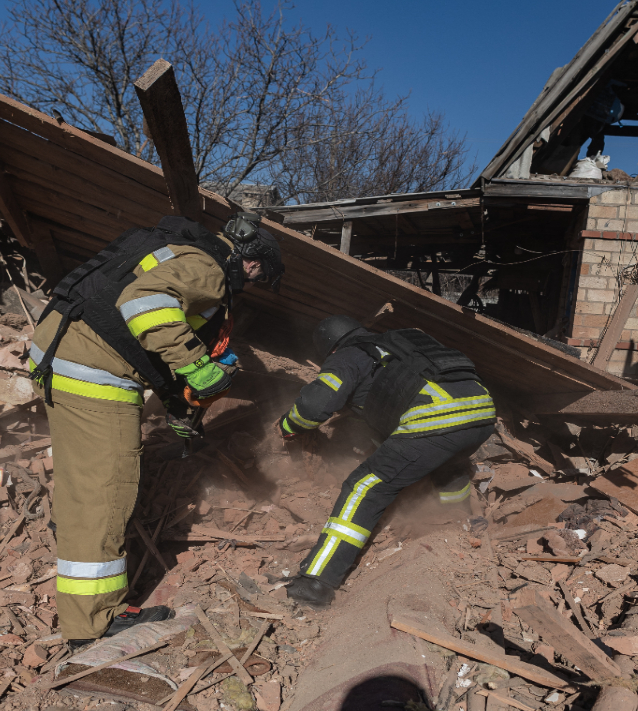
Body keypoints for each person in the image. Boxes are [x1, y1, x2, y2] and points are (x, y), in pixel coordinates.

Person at [28, 212, 283, 648]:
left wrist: (176, 404)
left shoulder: (178, 249)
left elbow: (142, 335)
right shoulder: (209, 267)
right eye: (259, 277)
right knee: (105, 494)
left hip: (66, 354)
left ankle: (79, 546)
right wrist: (197, 367)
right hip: (93, 373)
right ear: (254, 262)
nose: (251, 284)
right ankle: (92, 626)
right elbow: (142, 304)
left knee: (85, 483)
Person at [277, 315, 496, 608]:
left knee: (364, 486)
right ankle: (458, 520)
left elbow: (315, 405)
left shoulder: (349, 355)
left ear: (329, 348)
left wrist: (289, 426)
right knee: (448, 464)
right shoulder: (395, 347)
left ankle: (315, 584)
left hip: (438, 418)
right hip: (481, 413)